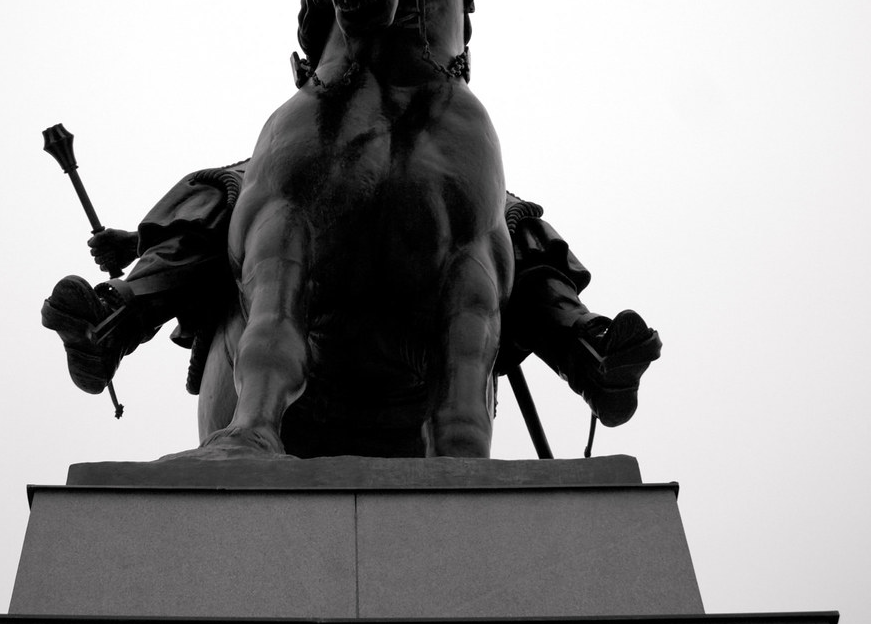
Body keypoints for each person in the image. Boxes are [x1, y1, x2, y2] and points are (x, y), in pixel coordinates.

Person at [42, 161, 660, 430]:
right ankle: (117, 320)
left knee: (507, 218)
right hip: (324, 132)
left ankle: (589, 354)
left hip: (419, 143)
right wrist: (135, 239)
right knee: (229, 188)